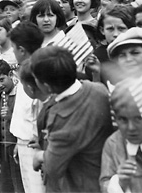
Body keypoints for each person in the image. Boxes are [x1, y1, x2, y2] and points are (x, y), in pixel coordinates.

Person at [31, 46, 113, 192]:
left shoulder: (61, 117)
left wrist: (39, 156)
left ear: (46, 86)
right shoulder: (97, 89)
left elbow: (53, 168)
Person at [8, 21, 44, 193]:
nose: (13, 52)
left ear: (21, 50)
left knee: (36, 188)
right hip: (24, 141)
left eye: (13, 48)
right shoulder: (26, 70)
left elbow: (40, 113)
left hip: (35, 146)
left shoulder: (36, 74)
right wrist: (18, 142)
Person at [100, 79, 142, 193]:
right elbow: (104, 182)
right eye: (123, 119)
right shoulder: (113, 143)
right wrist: (118, 182)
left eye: (139, 118)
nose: (131, 127)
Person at [0, 59, 24, 193]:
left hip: (17, 148)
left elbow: (26, 121)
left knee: (19, 182)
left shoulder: (21, 94)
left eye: (2, 80)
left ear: (11, 74)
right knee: (5, 182)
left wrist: (10, 115)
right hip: (3, 148)